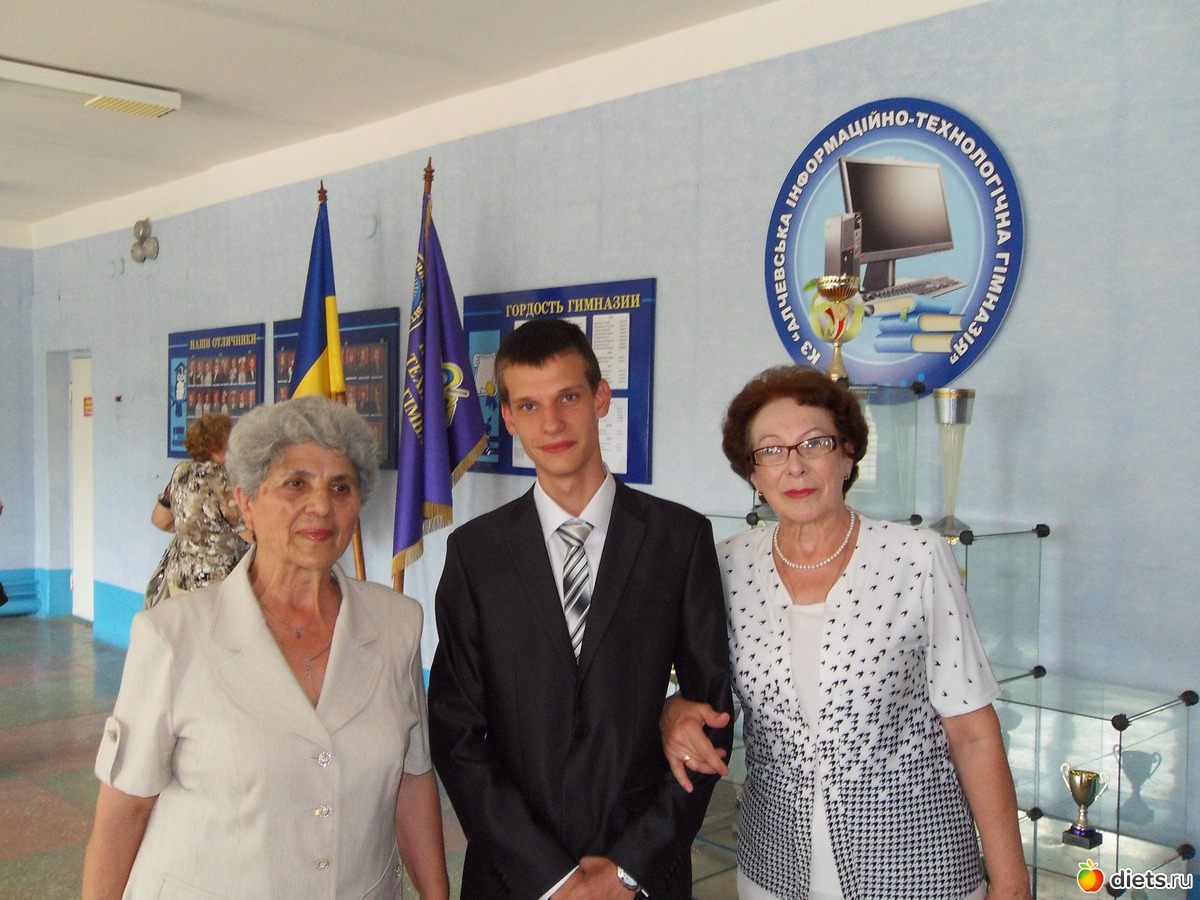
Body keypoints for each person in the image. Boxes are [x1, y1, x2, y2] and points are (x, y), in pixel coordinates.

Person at [660, 365, 1029, 900]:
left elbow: (972, 731)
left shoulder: (915, 557)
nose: (795, 466)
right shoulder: (726, 566)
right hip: (774, 867)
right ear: (753, 473)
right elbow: (701, 691)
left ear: (848, 454)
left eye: (815, 443)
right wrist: (672, 711)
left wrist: (1011, 883)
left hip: (917, 869)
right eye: (771, 450)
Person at [83, 396, 450, 899]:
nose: (321, 505)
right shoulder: (171, 636)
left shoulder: (397, 624)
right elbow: (123, 814)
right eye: (296, 483)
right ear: (247, 502)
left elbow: (410, 779)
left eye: (340, 486)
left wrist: (436, 894)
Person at [427, 318, 734, 899]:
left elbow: (710, 713)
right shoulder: (475, 554)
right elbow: (455, 732)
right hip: (515, 877)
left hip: (642, 875)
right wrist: (551, 877)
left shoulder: (678, 539)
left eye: (568, 397)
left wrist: (628, 867)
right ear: (508, 418)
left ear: (600, 398)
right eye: (529, 405)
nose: (551, 423)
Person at [150, 413, 250, 598]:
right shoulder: (222, 479)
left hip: (180, 578)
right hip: (216, 582)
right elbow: (248, 533)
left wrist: (194, 530)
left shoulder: (181, 472)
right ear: (218, 444)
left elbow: (160, 520)